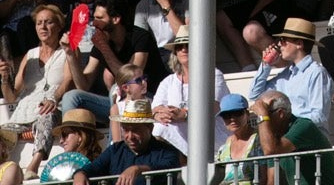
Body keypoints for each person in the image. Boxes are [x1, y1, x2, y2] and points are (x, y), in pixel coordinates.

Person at [58, 0, 164, 124]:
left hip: (148, 101)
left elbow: (131, 79)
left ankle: (116, 144)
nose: (94, 23)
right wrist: (70, 53)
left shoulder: (140, 37)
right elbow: (83, 85)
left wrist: (104, 47)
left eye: (99, 18)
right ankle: (70, 138)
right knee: (71, 96)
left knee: (116, 89)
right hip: (117, 104)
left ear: (115, 19)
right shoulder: (101, 43)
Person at [0, 4, 72, 178]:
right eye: (39, 23)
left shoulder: (67, 52)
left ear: (59, 25)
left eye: (48, 22)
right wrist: (3, 79)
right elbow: (12, 96)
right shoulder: (30, 54)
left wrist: (54, 98)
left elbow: (68, 82)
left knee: (47, 117)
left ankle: (33, 166)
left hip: (48, 108)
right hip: (22, 113)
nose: (43, 27)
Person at [149, 25, 228, 157]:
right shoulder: (168, 81)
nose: (184, 49)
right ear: (175, 53)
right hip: (180, 139)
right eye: (179, 47)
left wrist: (185, 115)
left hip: (209, 132)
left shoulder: (213, 74)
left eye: (188, 45)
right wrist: (160, 115)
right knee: (161, 126)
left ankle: (194, 160)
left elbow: (214, 107)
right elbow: (154, 108)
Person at [70, 97, 182, 185]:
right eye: (126, 130)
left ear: (150, 128)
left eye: (136, 130)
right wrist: (80, 174)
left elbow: (168, 166)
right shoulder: (115, 150)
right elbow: (93, 168)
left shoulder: (166, 151)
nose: (130, 136)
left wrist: (138, 170)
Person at [247, 19, 333, 126]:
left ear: (299, 44)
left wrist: (290, 125)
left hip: (309, 137)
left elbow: (319, 116)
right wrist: (266, 65)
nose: (279, 44)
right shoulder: (287, 74)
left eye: (283, 40)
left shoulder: (317, 73)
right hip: (289, 135)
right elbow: (254, 95)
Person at [248, 89, 334, 185]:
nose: (260, 122)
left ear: (280, 114)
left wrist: (262, 114)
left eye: (265, 114)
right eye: (258, 117)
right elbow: (273, 180)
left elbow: (271, 150)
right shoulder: (271, 139)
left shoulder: (303, 126)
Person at [215, 93, 262, 184]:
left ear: (247, 114)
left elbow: (265, 177)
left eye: (237, 113)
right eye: (226, 115)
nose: (232, 119)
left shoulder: (259, 140)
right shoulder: (224, 146)